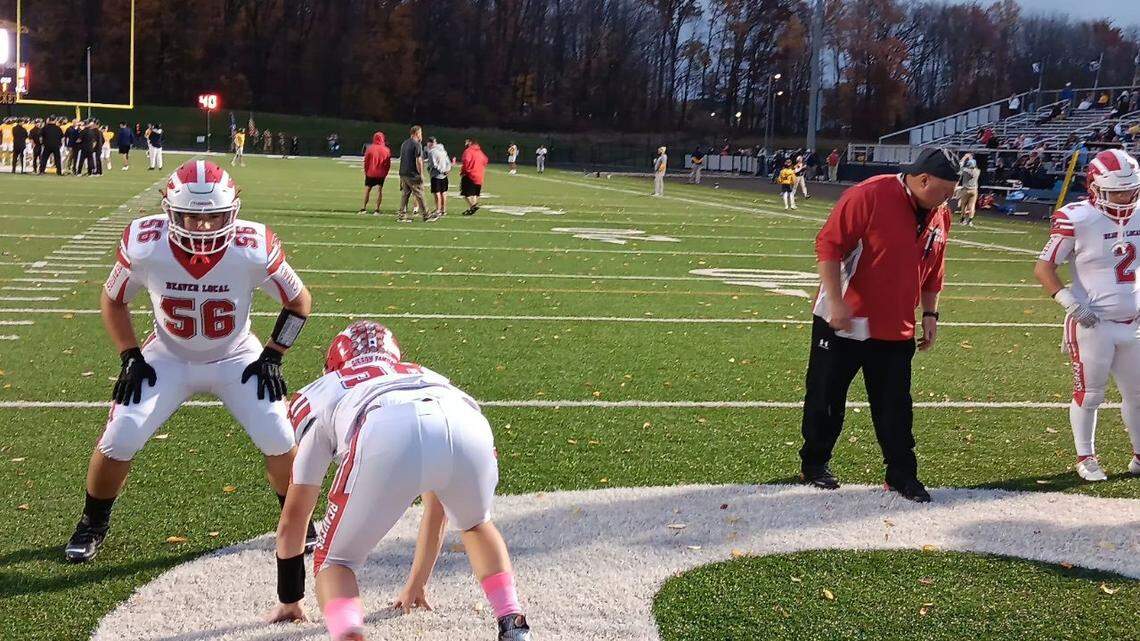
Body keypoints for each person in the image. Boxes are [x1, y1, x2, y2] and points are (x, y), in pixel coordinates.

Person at [64, 160, 317, 563]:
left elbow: (300, 302)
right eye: (190, 217)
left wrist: (272, 355)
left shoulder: (253, 247)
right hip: (168, 354)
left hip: (236, 355)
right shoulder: (145, 244)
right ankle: (92, 523)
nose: (202, 228)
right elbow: (113, 299)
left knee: (278, 434)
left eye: (213, 216)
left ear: (231, 212)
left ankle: (297, 520)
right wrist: (130, 355)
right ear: (169, 212)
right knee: (121, 435)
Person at [263, 321, 534, 641]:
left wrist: (290, 598)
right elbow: (438, 503)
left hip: (384, 427)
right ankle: (511, 621)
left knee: (335, 561)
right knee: (476, 525)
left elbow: (295, 517)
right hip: (467, 423)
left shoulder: (322, 390)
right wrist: (418, 581)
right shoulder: (424, 373)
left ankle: (349, 633)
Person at [799, 147, 958, 503]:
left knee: (896, 406)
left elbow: (934, 268)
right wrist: (837, 302)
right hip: (844, 319)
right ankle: (814, 463)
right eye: (944, 191)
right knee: (826, 396)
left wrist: (930, 314)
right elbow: (829, 245)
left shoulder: (938, 213)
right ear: (923, 179)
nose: (949, 200)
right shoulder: (868, 195)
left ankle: (901, 475)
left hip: (895, 323)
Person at [1034, 149, 1140, 482]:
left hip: (1134, 322)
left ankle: (1138, 455)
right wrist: (1070, 302)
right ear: (1094, 187)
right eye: (1115, 191)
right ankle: (1086, 456)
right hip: (1094, 322)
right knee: (1090, 393)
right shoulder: (1077, 217)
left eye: (1129, 189)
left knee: (1138, 395)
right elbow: (1044, 267)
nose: (1123, 197)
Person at [397, 125, 433, 223]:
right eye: (421, 133)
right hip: (412, 174)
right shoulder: (417, 144)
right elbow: (419, 160)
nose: (422, 135)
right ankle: (426, 215)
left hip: (403, 172)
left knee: (405, 194)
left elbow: (402, 159)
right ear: (417, 133)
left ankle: (402, 214)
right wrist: (421, 174)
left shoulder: (404, 143)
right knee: (419, 193)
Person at [360, 131, 391, 216]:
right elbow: (388, 163)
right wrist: (385, 172)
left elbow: (366, 162)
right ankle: (377, 209)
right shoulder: (386, 150)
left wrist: (366, 171)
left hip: (370, 172)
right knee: (379, 190)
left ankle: (363, 208)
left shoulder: (370, 149)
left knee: (367, 190)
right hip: (381, 173)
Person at [460, 138, 489, 216]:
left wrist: (464, 171)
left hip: (470, 174)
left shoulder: (468, 151)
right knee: (475, 194)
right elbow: (486, 160)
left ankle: (473, 206)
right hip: (479, 175)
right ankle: (472, 208)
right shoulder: (480, 152)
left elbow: (466, 161)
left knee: (466, 193)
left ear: (470, 142)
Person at [427, 137, 452, 218]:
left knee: (437, 193)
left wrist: (442, 171)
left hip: (436, 175)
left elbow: (434, 165)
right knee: (443, 192)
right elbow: (448, 162)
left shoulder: (432, 152)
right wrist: (447, 170)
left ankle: (438, 209)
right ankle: (443, 210)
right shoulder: (443, 151)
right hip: (444, 175)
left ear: (430, 143)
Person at [957, 153, 981, 227]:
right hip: (974, 190)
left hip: (966, 189)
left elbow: (960, 165)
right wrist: (970, 158)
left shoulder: (966, 170)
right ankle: (970, 221)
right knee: (972, 205)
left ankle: (962, 220)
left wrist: (965, 157)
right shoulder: (978, 171)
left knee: (964, 206)